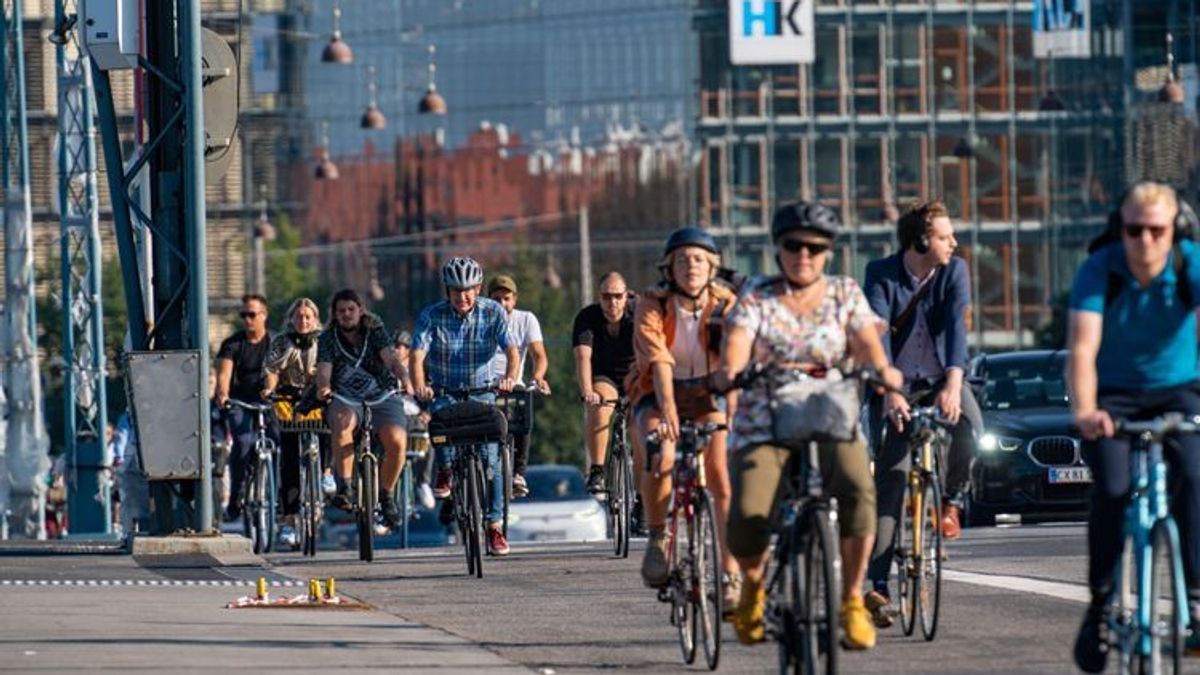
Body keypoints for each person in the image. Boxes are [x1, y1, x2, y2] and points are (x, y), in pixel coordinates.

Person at [713, 201, 901, 649]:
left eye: (814, 248)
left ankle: (852, 599)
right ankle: (754, 589)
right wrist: (731, 370)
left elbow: (865, 339)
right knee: (749, 511)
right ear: (779, 249)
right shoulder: (757, 296)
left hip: (831, 414)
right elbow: (738, 340)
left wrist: (882, 369)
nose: (804, 255)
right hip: (766, 419)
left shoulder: (844, 292)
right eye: (793, 245)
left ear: (829, 252)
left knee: (858, 489)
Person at [1067, 181, 1200, 671]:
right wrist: (1085, 410)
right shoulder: (1100, 269)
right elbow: (1082, 348)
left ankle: (1197, 595)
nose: (1145, 241)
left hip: (1180, 388)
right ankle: (1101, 603)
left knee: (1194, 472)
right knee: (1114, 488)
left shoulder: (1190, 264)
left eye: (1156, 230)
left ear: (1174, 231)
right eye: (1134, 230)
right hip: (1113, 394)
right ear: (1119, 230)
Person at [862, 199, 982, 627]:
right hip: (896, 386)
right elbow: (876, 333)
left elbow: (955, 325)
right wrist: (889, 390)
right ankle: (877, 585)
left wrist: (953, 383)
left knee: (971, 427)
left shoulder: (955, 270)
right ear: (920, 240)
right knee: (890, 479)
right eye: (946, 236)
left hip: (938, 380)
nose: (954, 242)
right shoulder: (881, 274)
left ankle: (950, 501)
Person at [627, 227, 738, 604]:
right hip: (658, 393)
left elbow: (735, 362)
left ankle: (730, 574)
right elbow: (657, 359)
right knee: (661, 453)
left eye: (699, 259)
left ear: (712, 267)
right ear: (669, 268)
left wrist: (734, 414)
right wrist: (669, 411)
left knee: (721, 476)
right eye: (682, 259)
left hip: (709, 393)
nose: (691, 266)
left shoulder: (726, 304)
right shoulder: (651, 303)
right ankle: (658, 536)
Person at [411, 257, 519, 556]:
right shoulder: (431, 315)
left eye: (469, 290)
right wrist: (421, 385)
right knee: (441, 426)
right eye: (457, 291)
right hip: (445, 391)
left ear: (479, 288)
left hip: (483, 392)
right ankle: (445, 468)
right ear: (447, 291)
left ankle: (494, 526)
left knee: (492, 459)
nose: (463, 297)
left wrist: (509, 378)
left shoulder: (493, 311)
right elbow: (417, 355)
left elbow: (511, 350)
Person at [314, 289, 409, 531]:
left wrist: (405, 379)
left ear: (360, 310)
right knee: (341, 422)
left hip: (382, 395)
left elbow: (391, 360)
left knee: (397, 440)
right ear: (334, 315)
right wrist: (324, 387)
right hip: (346, 398)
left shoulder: (374, 331)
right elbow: (324, 370)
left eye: (351, 310)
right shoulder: (327, 339)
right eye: (341, 311)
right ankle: (345, 486)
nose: (346, 315)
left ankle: (386, 496)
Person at [260, 297, 324, 550]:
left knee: (331, 428)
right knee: (289, 457)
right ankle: (288, 517)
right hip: (289, 400)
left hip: (318, 399)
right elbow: (272, 369)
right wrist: (269, 390)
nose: (303, 321)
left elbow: (333, 367)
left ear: (315, 319)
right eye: (299, 316)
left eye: (308, 316)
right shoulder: (281, 342)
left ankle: (327, 474)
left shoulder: (325, 342)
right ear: (291, 319)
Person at [486, 274, 550, 498]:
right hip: (485, 385)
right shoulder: (481, 319)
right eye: (496, 299)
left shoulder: (526, 320)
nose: (502, 304)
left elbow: (539, 355)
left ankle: (518, 472)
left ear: (515, 300)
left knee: (522, 412)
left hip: (513, 384)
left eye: (506, 299)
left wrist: (538, 376)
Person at [573, 271, 637, 496]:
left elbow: (651, 352)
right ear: (599, 297)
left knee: (641, 424)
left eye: (618, 296)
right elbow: (583, 357)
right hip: (604, 376)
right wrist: (587, 391)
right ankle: (597, 470)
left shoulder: (639, 313)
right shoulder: (587, 318)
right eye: (607, 297)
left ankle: (641, 498)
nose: (613, 302)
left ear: (626, 295)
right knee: (600, 409)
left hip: (636, 374)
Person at [214, 294, 275, 521]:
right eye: (244, 315)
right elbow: (224, 372)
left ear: (264, 316)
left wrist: (271, 392)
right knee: (242, 443)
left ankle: (278, 494)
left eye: (252, 315)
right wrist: (223, 393)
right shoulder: (233, 344)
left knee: (279, 440)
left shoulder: (274, 343)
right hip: (240, 402)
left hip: (268, 402)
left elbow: (273, 372)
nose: (247, 320)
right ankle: (237, 496)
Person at [395, 330, 436, 510]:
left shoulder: (420, 369)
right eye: (393, 346)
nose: (395, 350)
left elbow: (430, 393)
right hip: (393, 416)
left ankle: (423, 483)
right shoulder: (385, 369)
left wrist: (428, 412)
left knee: (430, 438)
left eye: (399, 347)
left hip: (415, 416)